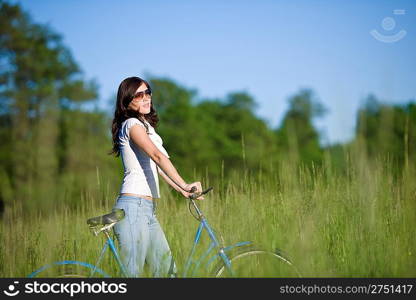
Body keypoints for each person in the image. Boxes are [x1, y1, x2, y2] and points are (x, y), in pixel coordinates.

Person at [109, 76, 204, 277]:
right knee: (132, 275)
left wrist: (182, 190)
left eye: (148, 92)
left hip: (147, 210)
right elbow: (157, 156)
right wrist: (184, 183)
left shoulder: (146, 127)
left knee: (167, 273)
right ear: (127, 100)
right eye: (139, 94)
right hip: (133, 209)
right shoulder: (131, 124)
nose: (146, 98)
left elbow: (157, 167)